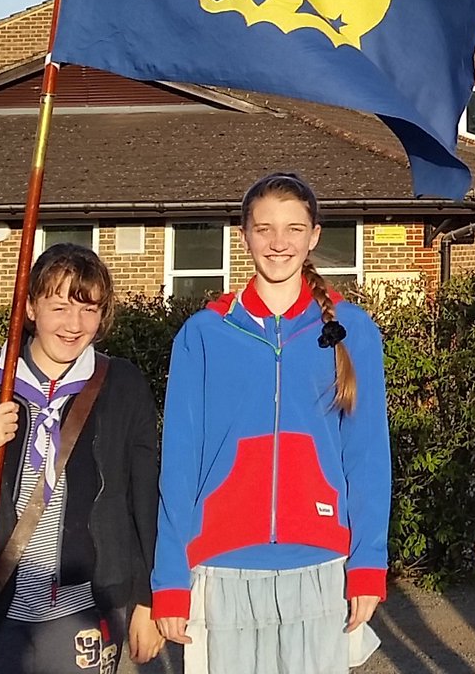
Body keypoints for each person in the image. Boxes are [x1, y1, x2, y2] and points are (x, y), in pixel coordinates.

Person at [152, 172, 392, 674]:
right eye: (264, 229)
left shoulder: (354, 331)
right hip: (221, 565)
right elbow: (179, 461)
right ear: (243, 235)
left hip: (321, 563)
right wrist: (170, 577)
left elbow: (367, 456)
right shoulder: (203, 334)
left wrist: (368, 564)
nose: (278, 243)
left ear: (315, 235)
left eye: (293, 228)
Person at [0, 243, 164, 673]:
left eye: (89, 309)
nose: (74, 324)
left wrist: (147, 599)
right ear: (29, 307)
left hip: (82, 605)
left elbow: (145, 499)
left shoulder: (122, 385)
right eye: (59, 306)